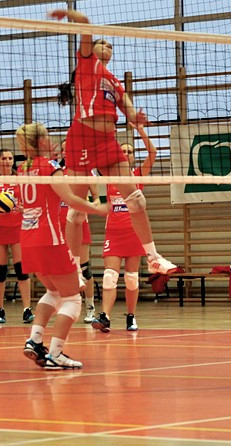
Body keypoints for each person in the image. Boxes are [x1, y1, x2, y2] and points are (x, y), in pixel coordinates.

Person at [49, 8, 176, 276]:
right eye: (102, 43)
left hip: (107, 141)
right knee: (77, 211)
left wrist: (136, 117)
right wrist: (70, 14)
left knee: (137, 200)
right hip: (82, 138)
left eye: (110, 45)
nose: (107, 46)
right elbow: (85, 24)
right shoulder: (87, 65)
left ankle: (153, 257)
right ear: (92, 49)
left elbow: (128, 109)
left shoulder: (115, 82)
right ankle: (73, 266)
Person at [16, 122, 108, 370]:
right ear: (42, 141)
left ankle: (35, 341)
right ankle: (55, 354)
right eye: (47, 137)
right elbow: (70, 200)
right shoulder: (50, 168)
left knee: (54, 292)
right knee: (73, 299)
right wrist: (98, 208)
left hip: (27, 240)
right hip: (49, 239)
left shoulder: (22, 169)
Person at [94, 124, 157, 333]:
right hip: (113, 232)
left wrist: (140, 130)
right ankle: (105, 317)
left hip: (134, 233)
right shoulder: (110, 175)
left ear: (132, 157)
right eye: (123, 151)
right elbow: (96, 158)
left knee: (131, 278)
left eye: (130, 152)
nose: (126, 154)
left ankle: (131, 316)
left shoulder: (138, 174)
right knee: (109, 276)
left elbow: (153, 153)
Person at [0, 149, 34, 324]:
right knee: (0, 271)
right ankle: (0, 310)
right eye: (4, 158)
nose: (8, 161)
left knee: (21, 269)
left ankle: (27, 309)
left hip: (17, 227)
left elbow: (30, 202)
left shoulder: (20, 179)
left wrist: (24, 208)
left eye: (10, 158)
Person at [57, 175, 98, 324]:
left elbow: (97, 199)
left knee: (84, 269)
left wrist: (87, 206)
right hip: (60, 226)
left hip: (79, 224)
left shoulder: (86, 173)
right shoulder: (57, 172)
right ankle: (66, 305)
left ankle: (90, 307)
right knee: (62, 270)